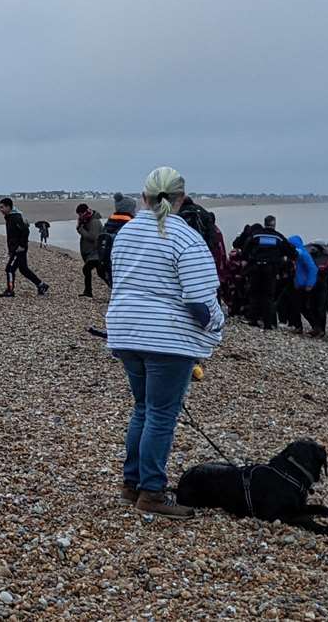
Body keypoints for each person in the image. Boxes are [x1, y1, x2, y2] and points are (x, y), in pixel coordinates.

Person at [103, 167, 224, 519]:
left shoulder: (126, 233)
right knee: (160, 414)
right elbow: (200, 301)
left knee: (143, 407)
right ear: (181, 199)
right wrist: (218, 324)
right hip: (166, 339)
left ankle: (132, 483)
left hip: (125, 331)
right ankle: (151, 491)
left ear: (144, 197)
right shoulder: (186, 238)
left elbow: (119, 279)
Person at [235, 221, 295, 330]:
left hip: (256, 268)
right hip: (270, 270)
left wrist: (245, 259)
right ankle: (268, 323)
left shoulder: (256, 235)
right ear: (274, 224)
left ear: (265, 223)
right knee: (268, 296)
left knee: (255, 294)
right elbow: (290, 251)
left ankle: (253, 319)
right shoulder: (278, 237)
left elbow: (246, 247)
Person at [0, 198, 45, 297]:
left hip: (19, 249)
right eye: (0, 207)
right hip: (15, 248)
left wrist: (21, 246)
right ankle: (41, 285)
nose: (0, 209)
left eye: (2, 207)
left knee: (9, 269)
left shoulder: (16, 217)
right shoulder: (9, 217)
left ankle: (10, 290)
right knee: (23, 269)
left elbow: (25, 231)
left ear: (8, 207)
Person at [288, 236, 321, 336]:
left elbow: (313, 269)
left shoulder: (303, 254)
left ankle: (315, 327)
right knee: (296, 305)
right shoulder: (296, 254)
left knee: (303, 307)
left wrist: (310, 283)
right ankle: (299, 326)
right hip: (298, 284)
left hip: (304, 285)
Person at [76, 204, 104, 298]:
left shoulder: (94, 221)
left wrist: (81, 230)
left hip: (95, 252)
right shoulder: (86, 220)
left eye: (80, 214)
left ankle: (88, 291)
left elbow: (94, 237)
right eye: (78, 214)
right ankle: (88, 291)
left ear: (85, 212)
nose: (79, 216)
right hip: (90, 252)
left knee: (89, 270)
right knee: (100, 273)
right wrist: (81, 229)